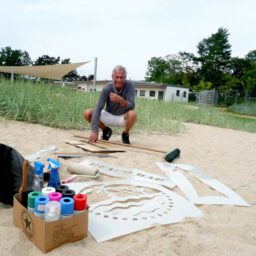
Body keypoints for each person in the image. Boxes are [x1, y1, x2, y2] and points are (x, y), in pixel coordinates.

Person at [84, 65, 137, 144]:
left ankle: (125, 134)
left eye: (122, 77)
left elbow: (132, 106)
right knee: (87, 113)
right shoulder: (107, 88)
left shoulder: (130, 85)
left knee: (133, 114)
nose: (119, 80)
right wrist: (94, 131)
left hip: (123, 117)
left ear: (125, 77)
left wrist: (121, 100)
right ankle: (106, 130)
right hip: (108, 115)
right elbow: (98, 108)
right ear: (112, 77)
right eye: (117, 77)